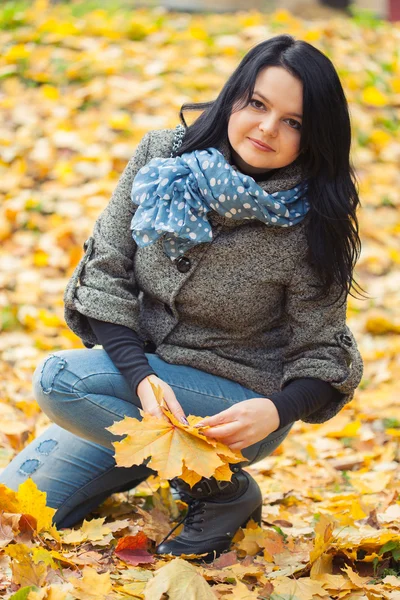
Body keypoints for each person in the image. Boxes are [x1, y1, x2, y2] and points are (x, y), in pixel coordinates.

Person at [0, 34, 364, 560]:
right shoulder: (161, 155)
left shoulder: (313, 219)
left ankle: (220, 490)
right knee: (18, 507)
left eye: (294, 121)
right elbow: (104, 274)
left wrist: (277, 409)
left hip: (235, 410)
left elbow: (325, 350)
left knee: (60, 380)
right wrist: (142, 380)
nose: (267, 128)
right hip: (137, 390)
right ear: (234, 96)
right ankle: (142, 460)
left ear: (314, 137)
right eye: (258, 104)